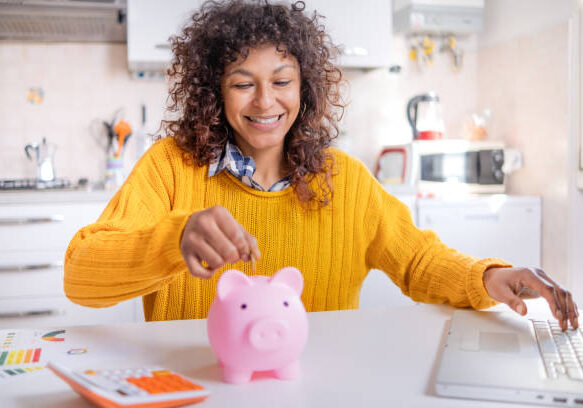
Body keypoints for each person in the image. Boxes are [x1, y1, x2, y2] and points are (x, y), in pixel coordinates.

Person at [64, 0, 578, 330]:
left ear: (305, 87)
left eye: (282, 81)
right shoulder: (170, 168)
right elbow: (81, 275)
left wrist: (489, 278)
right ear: (214, 93)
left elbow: (418, 260)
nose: (265, 102)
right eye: (243, 83)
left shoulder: (344, 180)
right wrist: (173, 239)